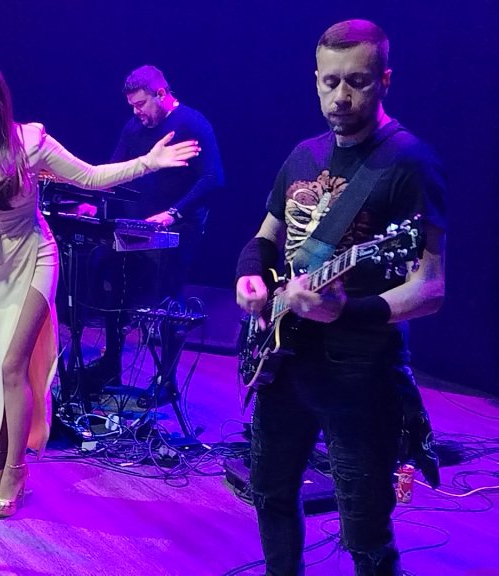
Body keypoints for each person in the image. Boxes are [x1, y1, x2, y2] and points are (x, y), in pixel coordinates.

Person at [0, 59, 200, 518]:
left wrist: (149, 162)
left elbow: (91, 176)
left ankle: (16, 469)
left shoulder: (30, 140)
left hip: (33, 254)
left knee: (13, 365)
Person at [234, 20, 446, 575]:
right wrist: (250, 276)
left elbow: (430, 288)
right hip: (284, 363)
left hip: (360, 376)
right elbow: (267, 234)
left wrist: (346, 310)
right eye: (330, 82)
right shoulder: (302, 155)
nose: (341, 97)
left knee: (364, 532)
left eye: (358, 81)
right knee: (271, 495)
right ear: (315, 79)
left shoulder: (410, 163)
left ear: (385, 79)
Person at [80, 65, 224, 391]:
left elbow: (213, 177)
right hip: (137, 226)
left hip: (178, 227)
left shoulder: (192, 123)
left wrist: (173, 213)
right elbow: (115, 171)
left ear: (161, 94)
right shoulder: (133, 127)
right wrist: (94, 203)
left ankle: (166, 380)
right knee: (111, 278)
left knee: (166, 298)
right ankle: (111, 363)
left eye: (141, 104)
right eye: (132, 106)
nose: (136, 112)